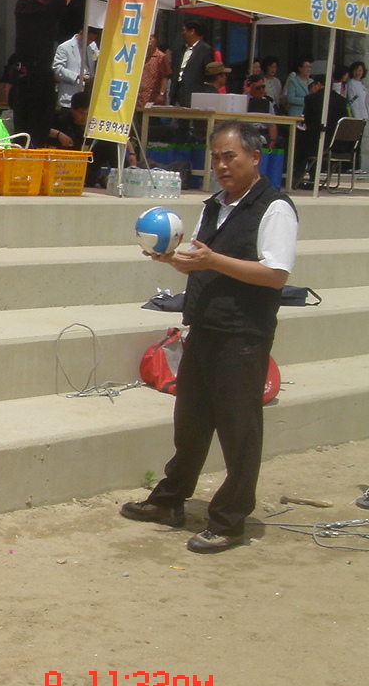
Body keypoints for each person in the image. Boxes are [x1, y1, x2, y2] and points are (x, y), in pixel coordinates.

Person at [121, 121, 298, 553]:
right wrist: (172, 259)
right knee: (191, 423)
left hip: (243, 334)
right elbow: (201, 261)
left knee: (239, 431)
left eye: (230, 156)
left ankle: (230, 520)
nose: (221, 166)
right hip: (204, 327)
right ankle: (169, 500)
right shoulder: (214, 206)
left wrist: (213, 260)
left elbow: (275, 274)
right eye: (215, 157)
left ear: (254, 157)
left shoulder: (275, 208)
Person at [9, 0, 85, 148]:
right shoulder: (51, 11)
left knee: (21, 129)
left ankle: (21, 158)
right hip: (41, 77)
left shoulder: (22, 9)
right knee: (40, 127)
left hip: (21, 76)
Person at [299, 71, 349, 185]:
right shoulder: (341, 100)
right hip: (339, 143)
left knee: (298, 140)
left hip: (319, 141)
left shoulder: (312, 98)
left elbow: (307, 121)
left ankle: (297, 175)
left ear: (318, 84)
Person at [168, 20, 213, 108]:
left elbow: (208, 73)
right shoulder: (180, 51)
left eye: (184, 30)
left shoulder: (205, 49)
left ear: (192, 31)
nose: (182, 33)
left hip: (193, 93)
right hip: (177, 92)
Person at [52, 25, 99, 108]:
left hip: (87, 91)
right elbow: (57, 68)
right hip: (71, 93)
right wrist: (77, 76)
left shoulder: (92, 46)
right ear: (81, 33)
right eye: (88, 39)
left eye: (92, 40)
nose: (89, 42)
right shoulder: (64, 47)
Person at [137, 34, 170, 108]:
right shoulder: (138, 55)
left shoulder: (161, 56)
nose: (149, 41)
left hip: (153, 98)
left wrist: (161, 94)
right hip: (138, 98)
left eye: (151, 38)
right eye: (147, 38)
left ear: (156, 40)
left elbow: (165, 76)